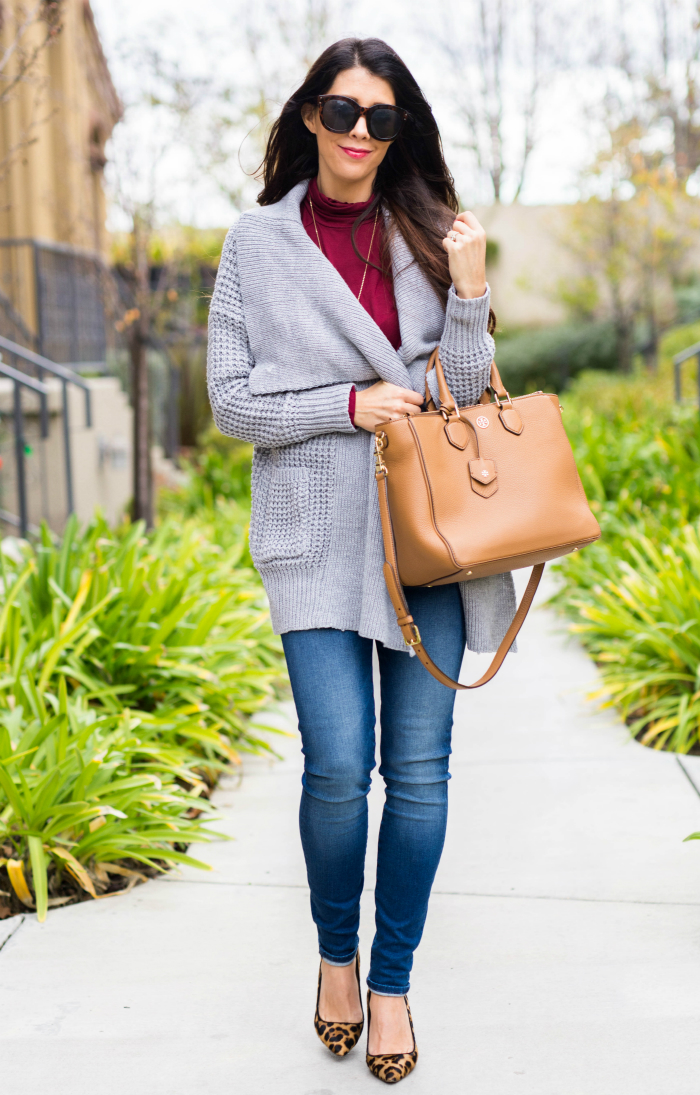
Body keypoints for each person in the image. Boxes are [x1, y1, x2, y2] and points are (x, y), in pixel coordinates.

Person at [207, 36, 516, 1085]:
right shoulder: (254, 244)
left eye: (380, 118)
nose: (357, 131)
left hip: (426, 534)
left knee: (417, 778)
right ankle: (335, 961)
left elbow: (466, 397)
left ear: (401, 133)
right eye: (340, 109)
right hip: (314, 535)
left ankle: (390, 985)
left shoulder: (429, 233)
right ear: (308, 116)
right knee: (337, 770)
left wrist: (467, 292)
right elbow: (232, 403)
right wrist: (346, 405)